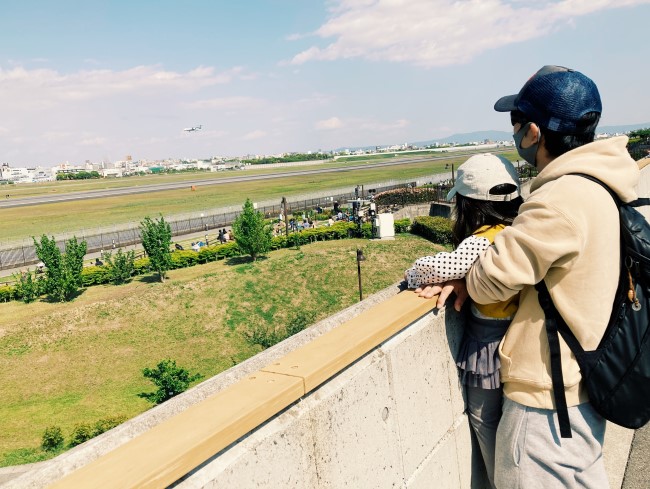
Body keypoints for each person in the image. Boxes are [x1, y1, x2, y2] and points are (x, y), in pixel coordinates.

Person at [417, 65, 640, 488]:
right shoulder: (602, 185)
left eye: (516, 126)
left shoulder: (560, 198)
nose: (515, 136)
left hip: (548, 403)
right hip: (585, 384)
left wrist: (465, 277)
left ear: (534, 133)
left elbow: (490, 279)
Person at [405, 153, 523, 488]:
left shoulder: (483, 239)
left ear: (470, 205)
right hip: (519, 338)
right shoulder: (520, 227)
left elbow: (439, 267)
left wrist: (411, 274)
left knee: (485, 422)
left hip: (489, 345)